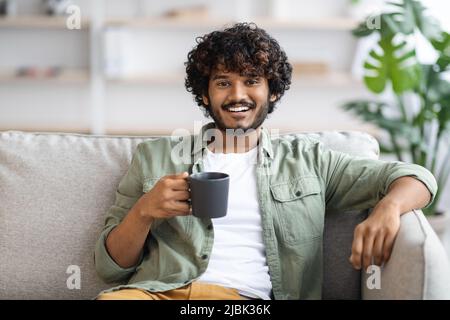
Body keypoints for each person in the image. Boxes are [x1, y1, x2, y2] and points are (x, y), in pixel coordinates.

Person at [94, 23, 437, 300]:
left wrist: (389, 208)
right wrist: (144, 211)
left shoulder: (311, 161)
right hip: (155, 293)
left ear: (272, 91)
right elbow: (111, 268)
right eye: (223, 83)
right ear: (204, 93)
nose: (237, 95)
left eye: (251, 81)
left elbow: (415, 178)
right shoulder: (154, 157)